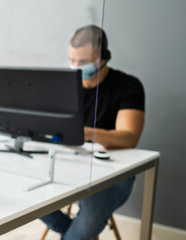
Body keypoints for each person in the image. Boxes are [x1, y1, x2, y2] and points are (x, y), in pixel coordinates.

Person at [40, 25, 146, 239]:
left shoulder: (128, 86)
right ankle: (70, 230)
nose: (76, 66)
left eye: (83, 61)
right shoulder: (65, 86)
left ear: (103, 57)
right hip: (67, 163)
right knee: (27, 190)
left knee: (89, 217)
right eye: (72, 60)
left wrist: (87, 132)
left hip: (113, 173)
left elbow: (129, 137)